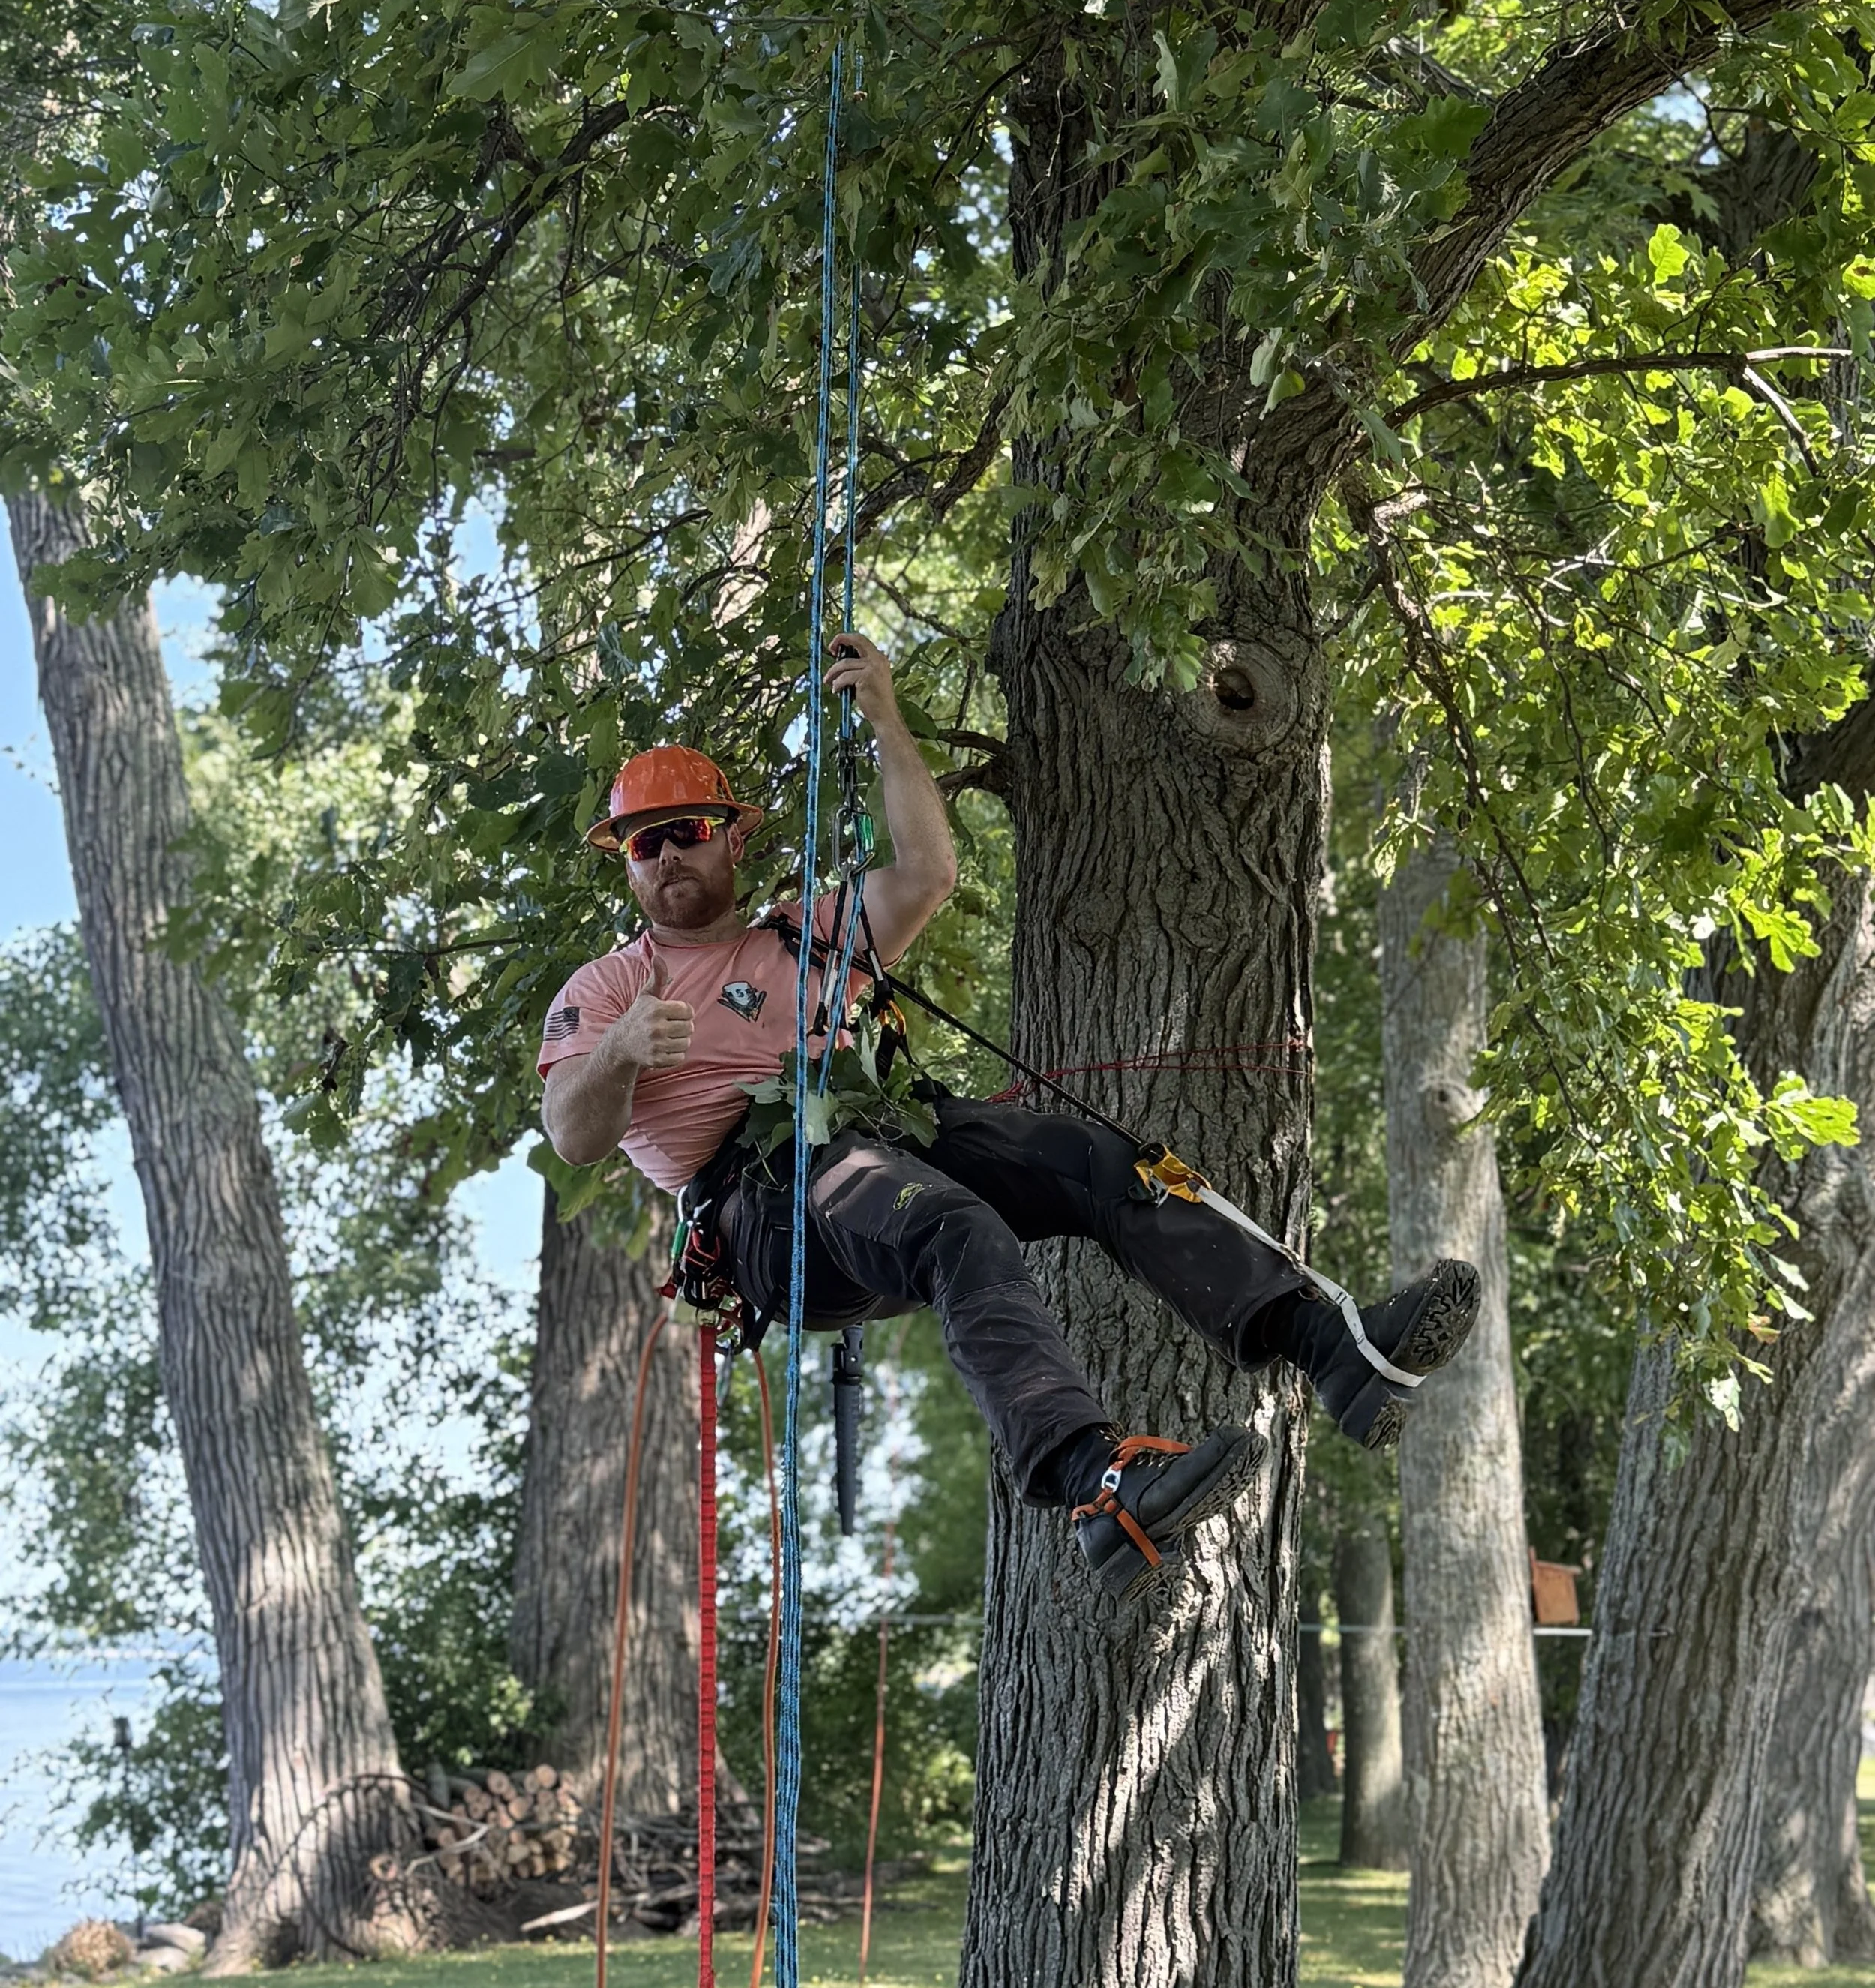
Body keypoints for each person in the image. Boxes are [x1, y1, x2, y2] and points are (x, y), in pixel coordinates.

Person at [538, 634, 1479, 1603]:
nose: (665, 857)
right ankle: (1098, 1481)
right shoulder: (611, 986)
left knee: (1098, 1161)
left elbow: (928, 873)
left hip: (882, 1135)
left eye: (683, 830)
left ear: (732, 838)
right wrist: (616, 1050)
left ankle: (1330, 1349)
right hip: (766, 1209)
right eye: (642, 845)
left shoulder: (800, 935)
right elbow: (571, 1131)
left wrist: (887, 720)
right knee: (950, 1222)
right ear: (627, 868)